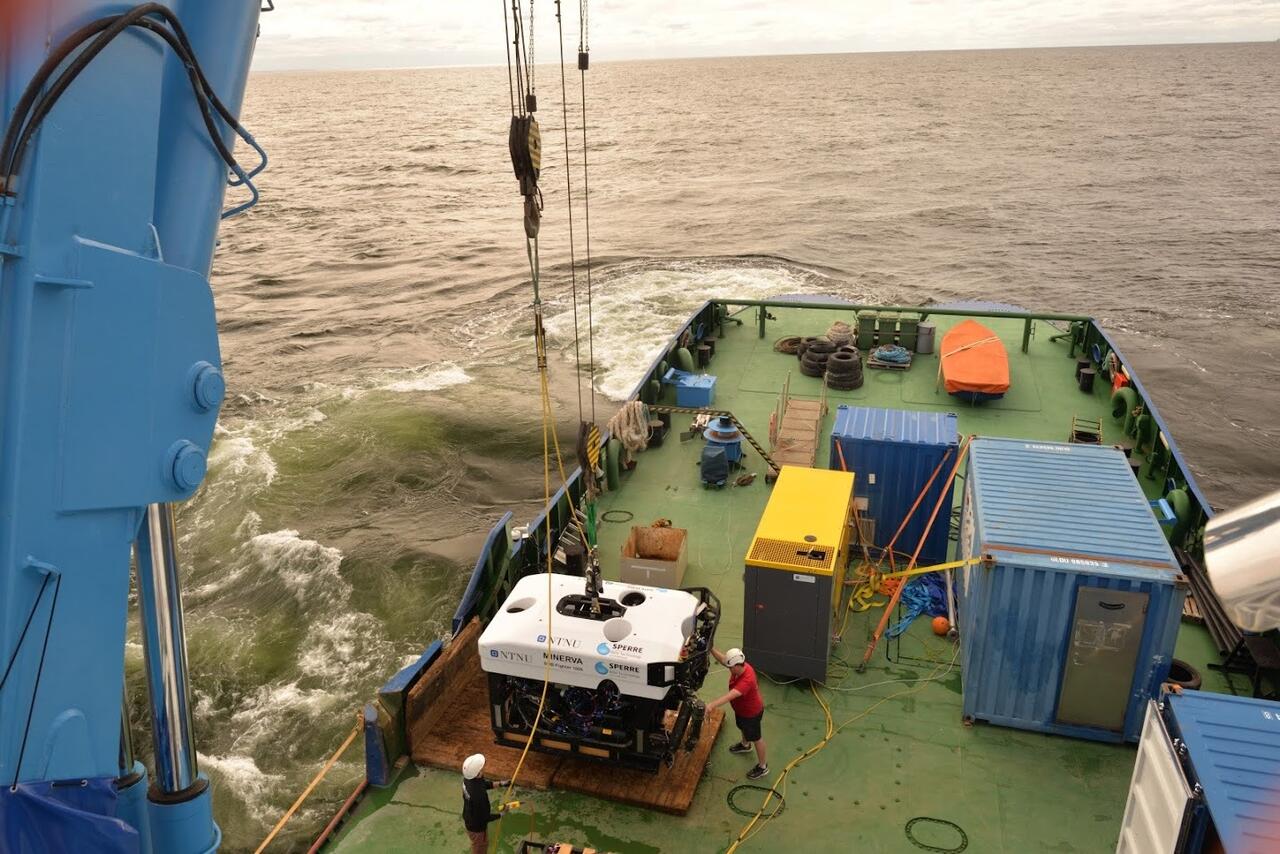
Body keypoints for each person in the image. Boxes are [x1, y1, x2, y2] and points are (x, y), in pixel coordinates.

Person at [707, 647, 768, 780]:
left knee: (757, 738)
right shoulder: (739, 666)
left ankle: (763, 767)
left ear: (736, 666)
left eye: (730, 668)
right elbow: (723, 659)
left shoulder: (747, 680)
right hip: (741, 711)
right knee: (742, 727)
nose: (729, 669)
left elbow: (729, 696)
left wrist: (711, 705)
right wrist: (711, 648)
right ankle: (745, 745)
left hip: (751, 713)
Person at [461, 753, 511, 854]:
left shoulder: (468, 779)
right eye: (480, 769)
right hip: (477, 827)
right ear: (477, 773)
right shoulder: (478, 796)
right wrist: (501, 814)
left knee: (479, 844)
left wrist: (501, 783)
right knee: (480, 847)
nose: (482, 769)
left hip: (469, 818)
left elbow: (483, 785)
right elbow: (485, 817)